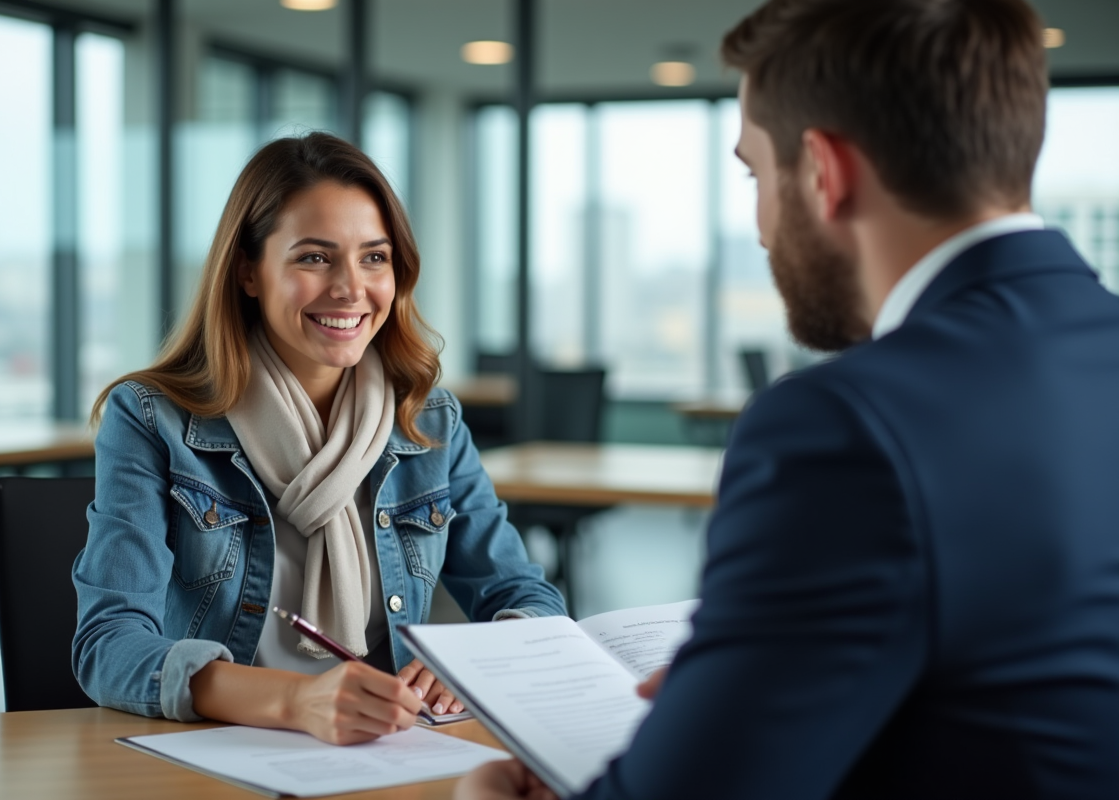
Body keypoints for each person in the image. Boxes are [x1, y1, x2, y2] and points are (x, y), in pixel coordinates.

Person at [459, 0, 1119, 797]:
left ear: (822, 172)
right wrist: (764, 682)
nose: (762, 227)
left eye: (754, 174)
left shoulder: (844, 426)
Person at [72, 132, 565, 745]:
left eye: (374, 257)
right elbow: (109, 645)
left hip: (387, 749)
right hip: (225, 748)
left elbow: (525, 595)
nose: (350, 288)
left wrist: (476, 664)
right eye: (313, 258)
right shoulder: (153, 418)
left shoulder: (428, 419)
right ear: (248, 271)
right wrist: (297, 700)